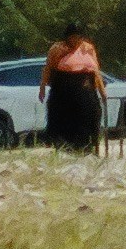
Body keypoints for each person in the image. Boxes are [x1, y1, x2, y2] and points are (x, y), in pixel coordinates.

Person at [39, 27, 106, 155]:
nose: (75, 41)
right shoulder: (57, 49)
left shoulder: (88, 49)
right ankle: (66, 148)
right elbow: (48, 68)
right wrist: (42, 87)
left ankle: (88, 148)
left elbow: (96, 71)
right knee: (65, 121)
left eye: (78, 38)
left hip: (86, 90)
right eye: (72, 38)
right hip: (64, 90)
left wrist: (102, 92)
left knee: (89, 117)